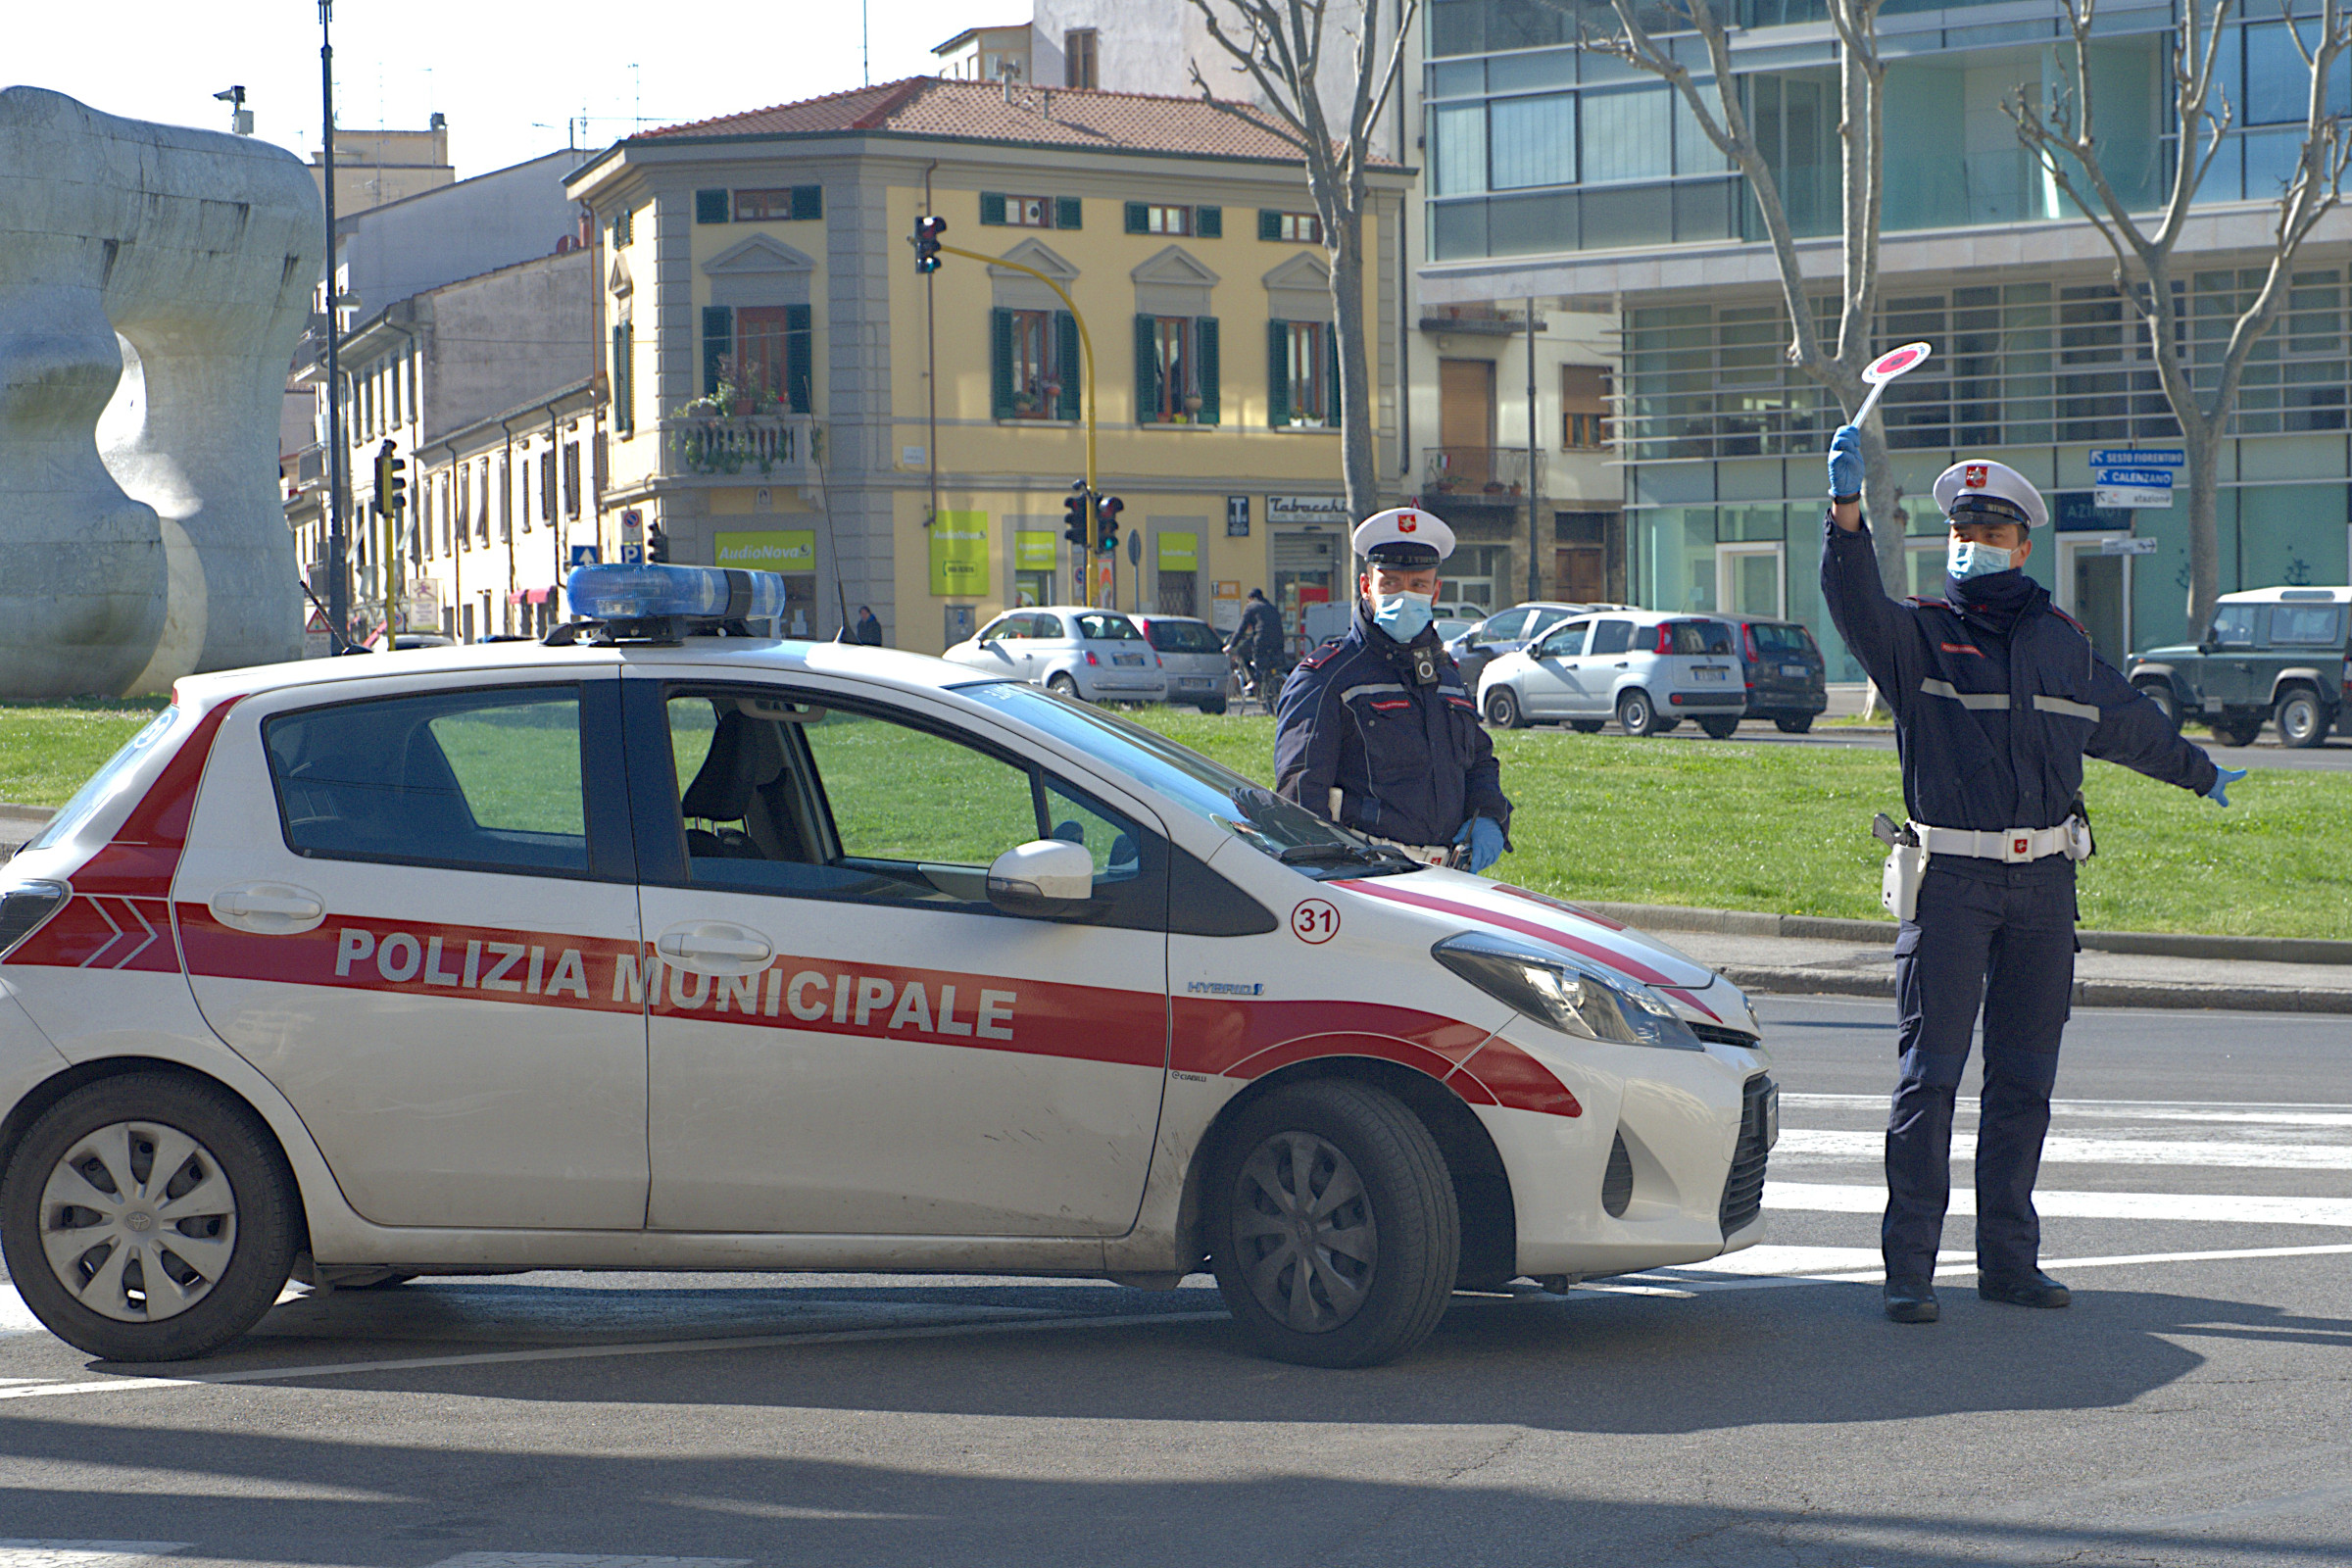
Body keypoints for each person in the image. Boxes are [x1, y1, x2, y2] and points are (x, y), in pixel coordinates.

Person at [1819, 424, 2246, 1326]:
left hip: (2046, 887)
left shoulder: (2062, 643)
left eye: (1990, 529)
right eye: (1959, 530)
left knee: (2023, 1080)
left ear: (2024, 543)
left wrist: (2200, 771)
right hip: (1952, 887)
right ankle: (1910, 1271)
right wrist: (1846, 516)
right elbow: (1854, 603)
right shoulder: (1918, 639)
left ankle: (2008, 1262)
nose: (1970, 543)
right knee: (1929, 1078)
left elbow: (2127, 723)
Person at [1273, 507, 1511, 871]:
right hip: (1366, 877)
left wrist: (1489, 817)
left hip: (1448, 877)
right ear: (1367, 587)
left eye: (1418, 585)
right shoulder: (1326, 678)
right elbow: (1301, 797)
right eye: (1391, 583)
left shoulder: (1446, 674)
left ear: (1435, 591)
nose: (1406, 595)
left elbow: (1478, 761)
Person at [1234, 588, 1285, 703]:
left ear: (1250, 599)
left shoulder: (1251, 606)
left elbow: (1241, 628)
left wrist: (1231, 644)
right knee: (1270, 666)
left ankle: (1252, 681)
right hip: (1278, 642)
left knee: (1241, 652)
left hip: (1261, 642)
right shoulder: (1272, 607)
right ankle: (1270, 692)